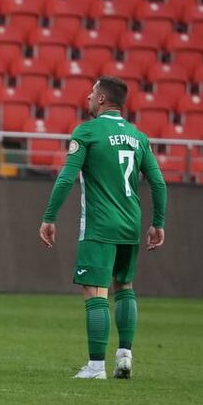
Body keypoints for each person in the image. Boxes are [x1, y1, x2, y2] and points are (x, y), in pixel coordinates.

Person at [40, 77, 167, 380]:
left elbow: (66, 177)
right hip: (131, 225)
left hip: (99, 225)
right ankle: (125, 356)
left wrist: (49, 216)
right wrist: (158, 223)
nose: (87, 96)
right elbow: (159, 183)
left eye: (91, 93)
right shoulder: (138, 137)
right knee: (124, 287)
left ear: (100, 100)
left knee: (95, 291)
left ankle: (96, 366)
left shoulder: (87, 132)